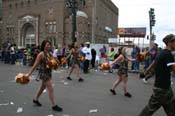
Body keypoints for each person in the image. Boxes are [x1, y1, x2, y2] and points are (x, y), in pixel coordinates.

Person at [139, 34, 175, 116]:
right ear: (170, 43)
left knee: (172, 110)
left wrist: (145, 73)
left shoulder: (161, 53)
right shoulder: (168, 55)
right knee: (149, 110)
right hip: (162, 90)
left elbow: (152, 64)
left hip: (164, 88)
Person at [25, 40, 63, 112]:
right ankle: (54, 105)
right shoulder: (41, 54)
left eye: (49, 45)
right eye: (47, 45)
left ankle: (35, 99)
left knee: (42, 88)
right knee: (51, 89)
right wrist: (29, 74)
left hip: (49, 73)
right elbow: (35, 65)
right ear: (44, 45)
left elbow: (54, 61)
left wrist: (57, 62)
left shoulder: (50, 53)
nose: (49, 46)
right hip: (44, 74)